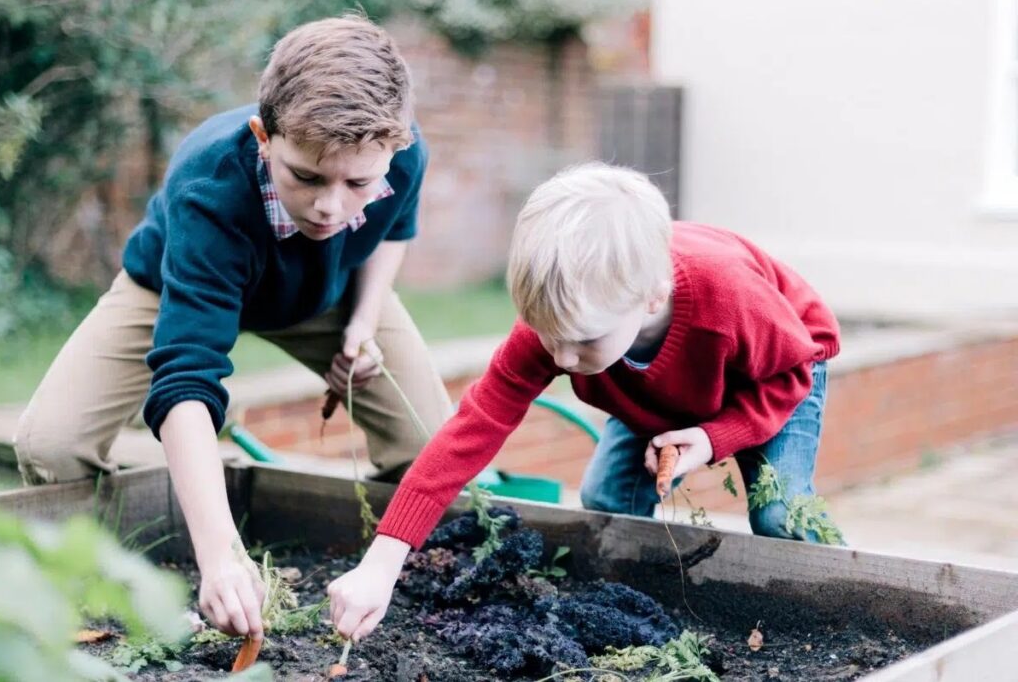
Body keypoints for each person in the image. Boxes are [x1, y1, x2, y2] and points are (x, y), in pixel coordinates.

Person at [13, 15, 452, 642]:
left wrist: (360, 324)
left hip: (325, 298)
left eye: (358, 183)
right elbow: (188, 375)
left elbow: (393, 234)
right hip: (176, 283)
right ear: (264, 136)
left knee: (428, 449)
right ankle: (106, 585)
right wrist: (218, 556)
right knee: (50, 444)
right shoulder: (208, 183)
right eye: (306, 177)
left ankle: (377, 576)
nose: (331, 206)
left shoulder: (401, 154)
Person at [325, 162, 841, 642]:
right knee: (606, 499)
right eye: (550, 338)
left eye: (583, 341)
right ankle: (651, 613)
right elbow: (472, 428)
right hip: (657, 386)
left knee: (781, 516)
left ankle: (837, 615)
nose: (564, 358)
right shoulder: (564, 323)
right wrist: (381, 563)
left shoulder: (725, 294)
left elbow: (794, 369)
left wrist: (713, 437)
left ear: (651, 299)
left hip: (777, 370)